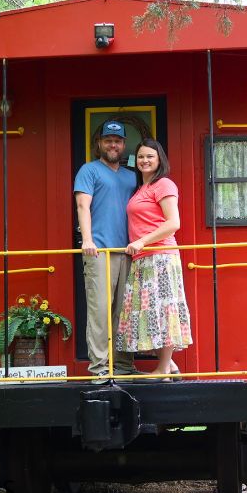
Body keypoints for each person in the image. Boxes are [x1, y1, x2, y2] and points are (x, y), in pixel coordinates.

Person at [116, 139, 192, 379]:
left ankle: (162, 369)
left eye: (150, 156)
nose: (144, 160)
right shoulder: (142, 189)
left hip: (160, 256)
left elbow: (173, 223)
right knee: (153, 311)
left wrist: (141, 241)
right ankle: (168, 366)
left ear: (159, 160)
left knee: (164, 309)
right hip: (144, 258)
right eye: (140, 157)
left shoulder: (163, 184)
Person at [73, 120, 137, 381]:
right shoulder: (89, 170)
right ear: (99, 143)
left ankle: (123, 366)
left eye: (118, 141)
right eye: (108, 140)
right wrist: (87, 240)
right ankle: (100, 368)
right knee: (100, 311)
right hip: (99, 251)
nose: (113, 145)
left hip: (129, 251)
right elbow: (82, 206)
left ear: (123, 145)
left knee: (125, 310)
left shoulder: (131, 175)